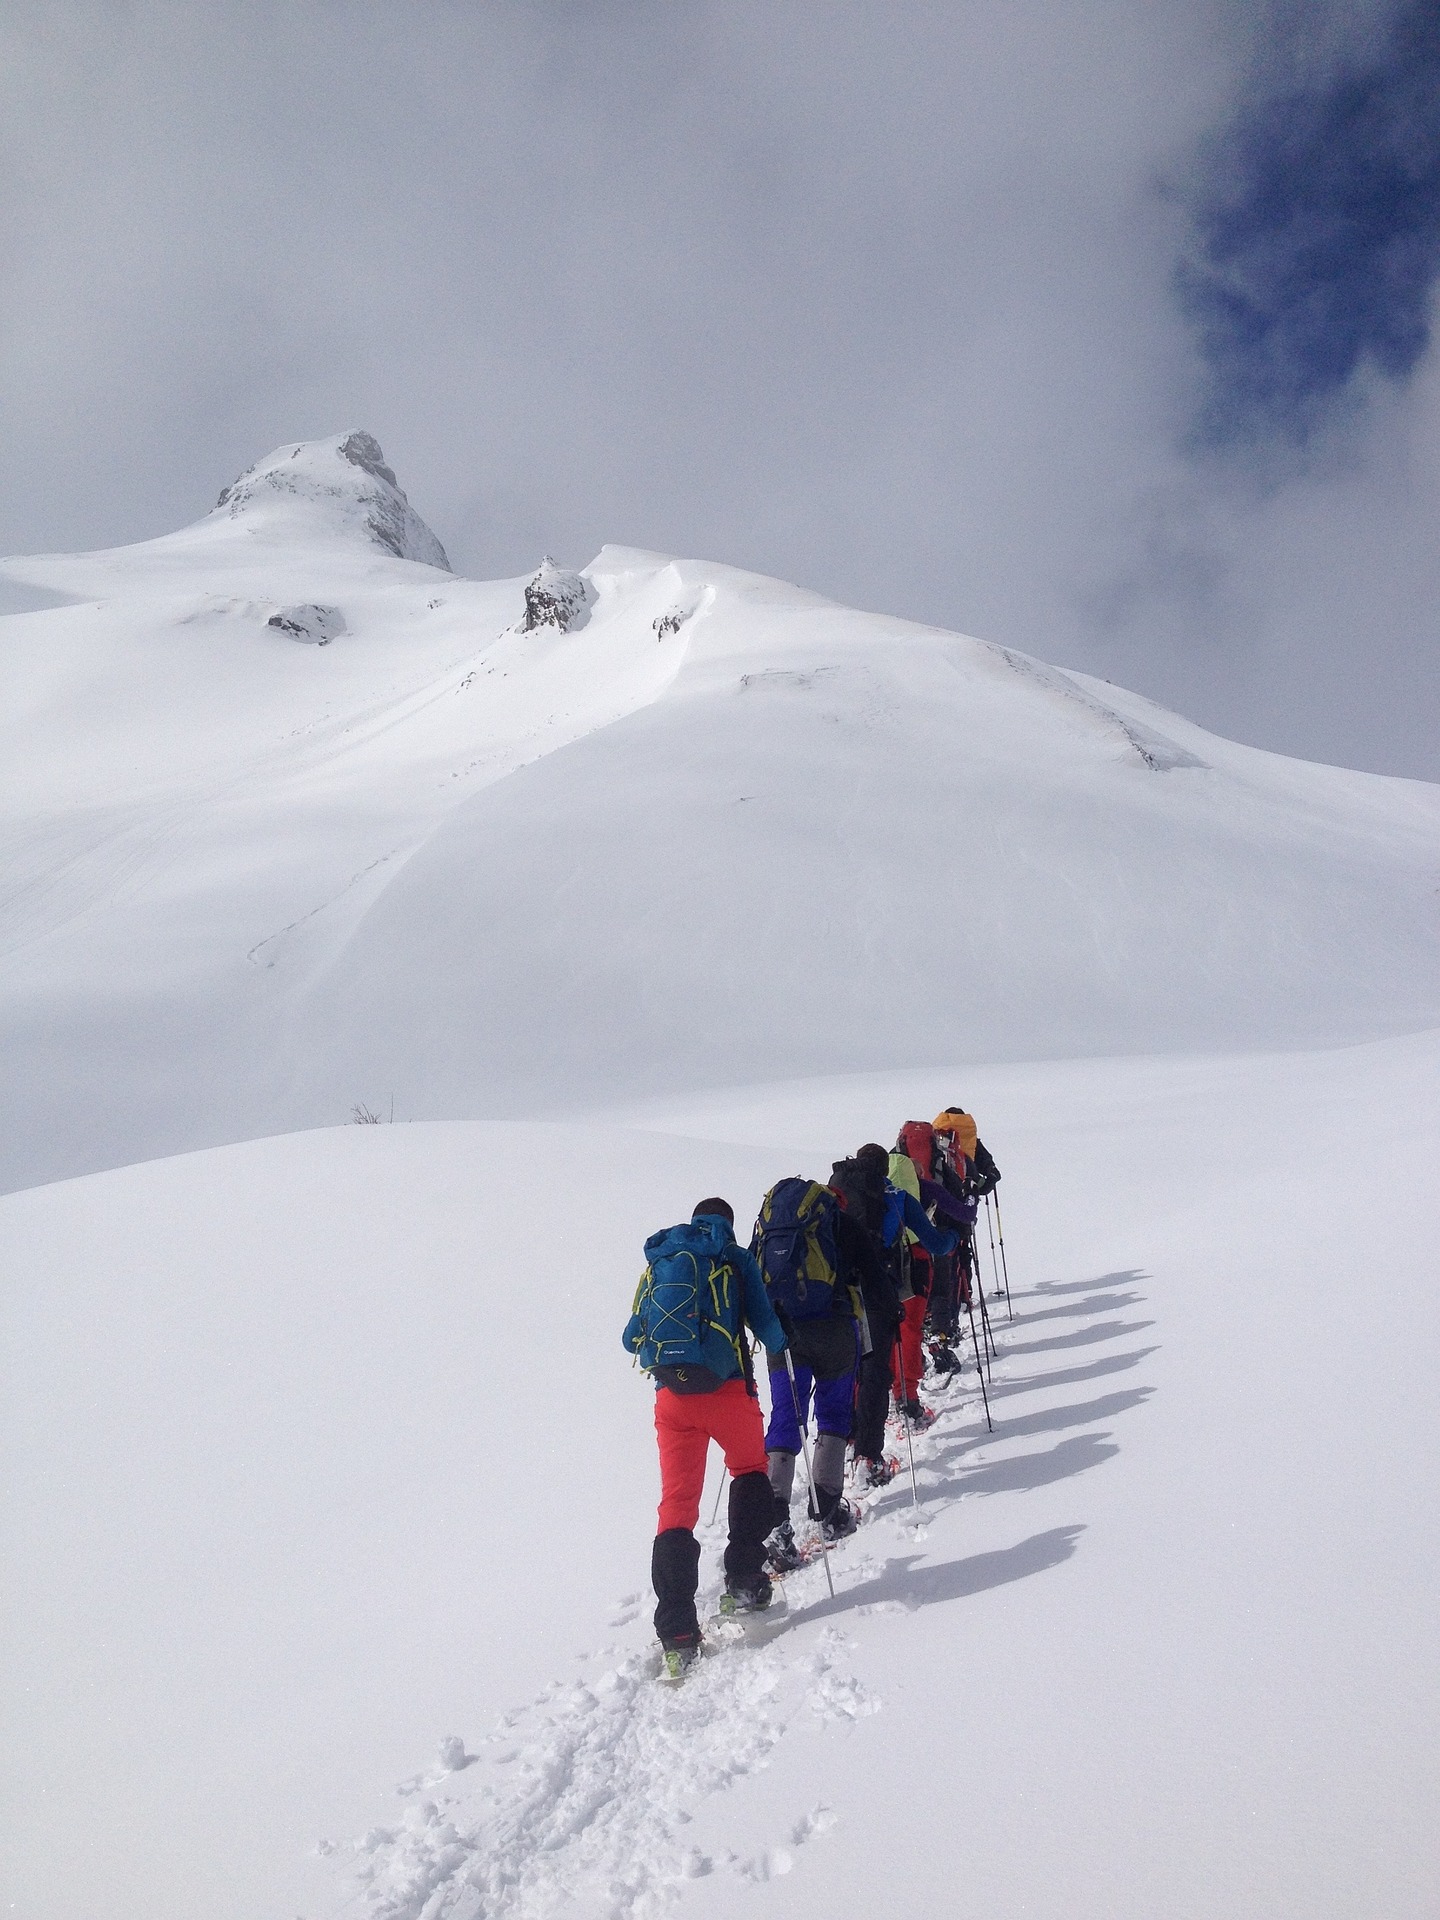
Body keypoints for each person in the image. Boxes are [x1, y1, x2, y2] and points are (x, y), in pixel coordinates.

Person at [623, 1198, 788, 1678]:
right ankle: (744, 1581)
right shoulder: (733, 1258)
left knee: (676, 1507)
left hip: (672, 1398)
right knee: (750, 1471)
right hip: (728, 1392)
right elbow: (768, 1329)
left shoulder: (664, 1259)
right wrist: (779, 1340)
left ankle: (676, 1632)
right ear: (728, 1225)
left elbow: (630, 1337)